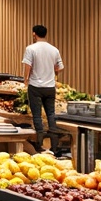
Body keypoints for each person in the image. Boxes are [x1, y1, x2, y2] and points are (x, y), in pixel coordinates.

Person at [22, 24, 64, 153]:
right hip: (50, 86)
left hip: (35, 86)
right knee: (51, 114)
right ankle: (54, 145)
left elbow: (27, 66)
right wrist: (51, 70)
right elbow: (60, 67)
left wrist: (25, 81)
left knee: (37, 115)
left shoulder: (31, 48)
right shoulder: (54, 49)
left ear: (34, 34)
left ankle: (40, 145)